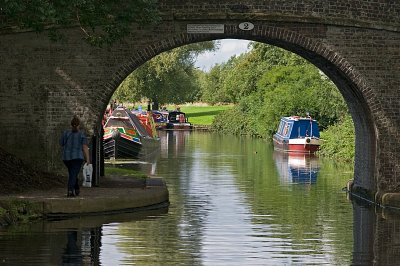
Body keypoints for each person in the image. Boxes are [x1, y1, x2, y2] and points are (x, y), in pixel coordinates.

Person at [60, 115, 90, 197]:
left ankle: (76, 188)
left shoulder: (66, 133)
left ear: (71, 124)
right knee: (73, 174)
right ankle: (70, 190)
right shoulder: (81, 134)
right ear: (79, 125)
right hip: (77, 157)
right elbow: (84, 147)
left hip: (66, 158)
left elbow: (61, 143)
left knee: (73, 173)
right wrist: (87, 159)